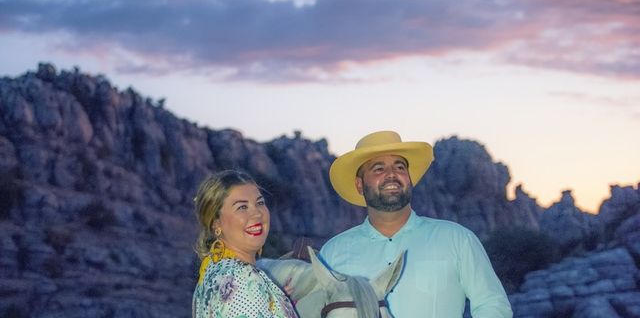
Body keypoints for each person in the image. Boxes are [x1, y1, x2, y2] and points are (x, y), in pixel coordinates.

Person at [320, 130, 513, 318]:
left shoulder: (457, 238)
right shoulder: (333, 253)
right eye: (379, 169)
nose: (391, 174)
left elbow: (492, 304)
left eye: (400, 167)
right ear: (359, 185)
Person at [192, 169, 298, 318]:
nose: (257, 213)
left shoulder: (213, 271)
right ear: (216, 223)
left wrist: (279, 305)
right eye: (242, 207)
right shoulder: (244, 279)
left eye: (260, 203)